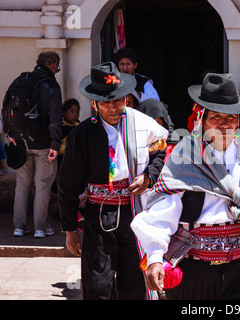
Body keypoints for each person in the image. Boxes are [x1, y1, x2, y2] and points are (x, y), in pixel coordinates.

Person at [131, 73, 240, 300]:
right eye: (216, 116)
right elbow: (163, 209)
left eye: (231, 117)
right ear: (202, 120)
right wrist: (156, 257)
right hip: (194, 269)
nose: (224, 124)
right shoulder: (185, 155)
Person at [57, 62, 168, 300]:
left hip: (134, 212)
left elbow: (160, 150)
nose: (113, 108)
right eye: (106, 103)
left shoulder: (142, 124)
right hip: (97, 217)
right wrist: (70, 229)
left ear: (126, 98)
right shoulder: (83, 134)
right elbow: (68, 185)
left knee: (135, 282)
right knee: (98, 285)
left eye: (118, 100)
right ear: (94, 103)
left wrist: (149, 176)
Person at [11, 51, 63, 238]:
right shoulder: (51, 85)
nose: (58, 69)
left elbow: (6, 108)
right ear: (53, 63)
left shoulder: (21, 80)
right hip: (44, 144)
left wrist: (11, 134)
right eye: (57, 65)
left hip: (20, 142)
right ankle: (40, 228)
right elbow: (55, 118)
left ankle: (19, 227)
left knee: (22, 184)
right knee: (42, 185)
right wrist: (56, 144)